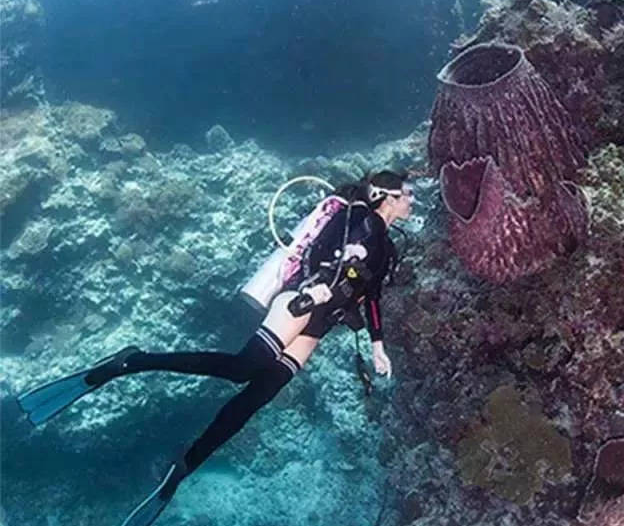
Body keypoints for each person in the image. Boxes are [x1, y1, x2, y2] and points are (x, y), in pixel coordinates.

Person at [17, 170, 414, 526]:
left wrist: (378, 346)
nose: (412, 201)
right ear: (385, 195)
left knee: (257, 397)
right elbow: (318, 250)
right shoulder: (354, 217)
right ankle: (131, 360)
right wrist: (323, 280)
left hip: (321, 324)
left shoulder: (389, 247)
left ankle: (186, 465)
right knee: (243, 367)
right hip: (302, 302)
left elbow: (373, 294)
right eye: (406, 194)